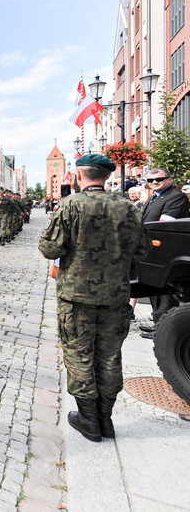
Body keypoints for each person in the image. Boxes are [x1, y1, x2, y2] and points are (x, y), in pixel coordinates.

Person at [39, 154, 145, 442]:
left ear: (78, 176)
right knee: (110, 356)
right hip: (115, 297)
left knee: (79, 355)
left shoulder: (71, 205)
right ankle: (105, 419)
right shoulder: (128, 208)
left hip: (77, 298)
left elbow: (49, 249)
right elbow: (143, 251)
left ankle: (88, 419)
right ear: (107, 177)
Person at [138, 168, 190, 339]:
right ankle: (158, 324)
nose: (154, 183)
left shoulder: (175, 196)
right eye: (150, 180)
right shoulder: (154, 197)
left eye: (159, 179)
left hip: (166, 248)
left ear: (169, 179)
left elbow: (165, 222)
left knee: (165, 292)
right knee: (154, 289)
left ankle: (166, 329)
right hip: (151, 247)